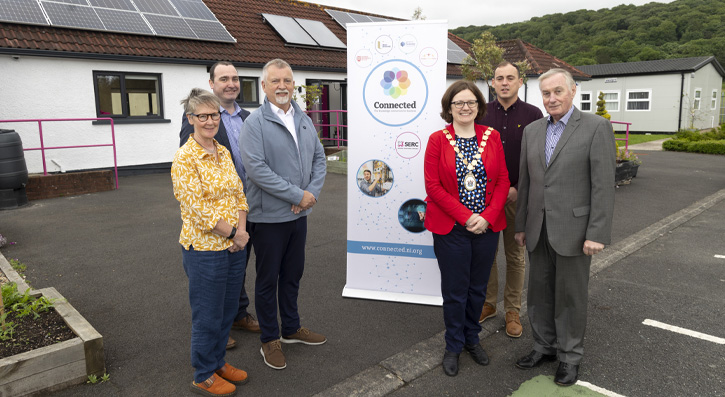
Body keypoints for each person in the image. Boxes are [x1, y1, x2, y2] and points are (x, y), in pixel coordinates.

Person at [514, 69, 616, 386]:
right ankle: (543, 347)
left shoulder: (596, 127)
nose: (552, 98)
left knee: (570, 297)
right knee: (539, 294)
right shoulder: (532, 131)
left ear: (572, 91)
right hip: (537, 227)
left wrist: (596, 233)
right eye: (546, 93)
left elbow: (603, 185)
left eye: (558, 91)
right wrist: (520, 226)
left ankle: (569, 357)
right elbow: (526, 182)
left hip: (575, 229)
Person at [240, 59, 327, 370]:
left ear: (293, 85)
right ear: (264, 86)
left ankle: (290, 328)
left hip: (298, 217)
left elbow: (320, 158)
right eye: (275, 81)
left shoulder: (303, 119)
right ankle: (270, 339)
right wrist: (296, 195)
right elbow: (257, 170)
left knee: (292, 275)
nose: (282, 86)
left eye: (287, 81)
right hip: (268, 219)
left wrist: (310, 196)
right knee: (267, 281)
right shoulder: (254, 124)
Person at [423, 80, 509, 376]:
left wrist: (486, 216)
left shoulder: (492, 137)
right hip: (451, 227)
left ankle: (472, 339)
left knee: (477, 289)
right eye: (458, 102)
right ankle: (453, 345)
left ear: (479, 106)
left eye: (470, 102)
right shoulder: (437, 139)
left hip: (487, 226)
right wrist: (465, 216)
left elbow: (502, 181)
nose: (465, 107)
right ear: (449, 108)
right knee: (455, 291)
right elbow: (433, 186)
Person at [172, 88, 251, 396]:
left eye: (214, 114)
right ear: (190, 118)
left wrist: (240, 233)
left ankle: (218, 362)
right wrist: (233, 233)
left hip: (233, 245)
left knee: (227, 310)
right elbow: (196, 209)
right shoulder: (185, 158)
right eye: (202, 115)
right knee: (207, 313)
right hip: (205, 250)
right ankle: (204, 373)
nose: (209, 121)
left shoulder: (223, 151)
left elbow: (238, 193)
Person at [179, 62, 261, 351]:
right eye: (223, 78)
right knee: (210, 300)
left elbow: (242, 185)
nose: (231, 83)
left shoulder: (247, 120)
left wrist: (240, 228)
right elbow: (195, 202)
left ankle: (235, 319)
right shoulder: (190, 145)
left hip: (244, 214)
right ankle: (209, 358)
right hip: (209, 235)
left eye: (235, 78)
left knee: (235, 278)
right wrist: (232, 232)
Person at [476, 62, 543, 338]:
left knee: (515, 255)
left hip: (518, 196)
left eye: (510, 78)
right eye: (499, 78)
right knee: (487, 254)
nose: (504, 83)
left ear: (520, 82)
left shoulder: (534, 114)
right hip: (485, 198)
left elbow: (538, 158)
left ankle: (513, 309)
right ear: (492, 83)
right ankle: (489, 303)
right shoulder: (481, 113)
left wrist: (517, 188)